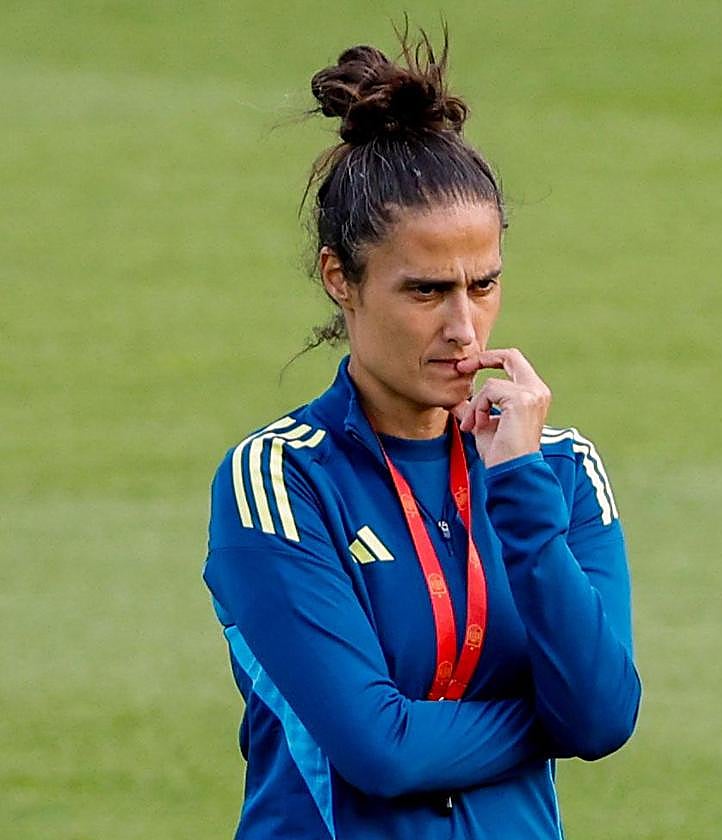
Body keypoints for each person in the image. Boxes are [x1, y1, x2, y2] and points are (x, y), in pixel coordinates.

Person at [203, 30, 641, 839]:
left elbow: (605, 717)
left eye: (484, 284)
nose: (463, 327)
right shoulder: (279, 482)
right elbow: (382, 752)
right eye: (426, 291)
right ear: (342, 279)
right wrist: (546, 722)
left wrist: (521, 493)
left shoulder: (561, 469)